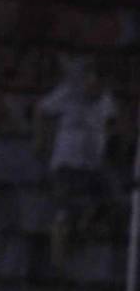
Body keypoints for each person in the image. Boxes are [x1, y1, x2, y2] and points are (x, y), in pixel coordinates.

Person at [34, 56, 120, 269]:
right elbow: (41, 110)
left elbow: (112, 122)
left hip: (92, 165)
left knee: (112, 200)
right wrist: (40, 141)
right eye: (92, 82)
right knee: (63, 213)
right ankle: (58, 262)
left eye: (100, 84)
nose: (95, 87)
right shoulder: (69, 94)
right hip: (67, 165)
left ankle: (83, 228)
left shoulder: (106, 100)